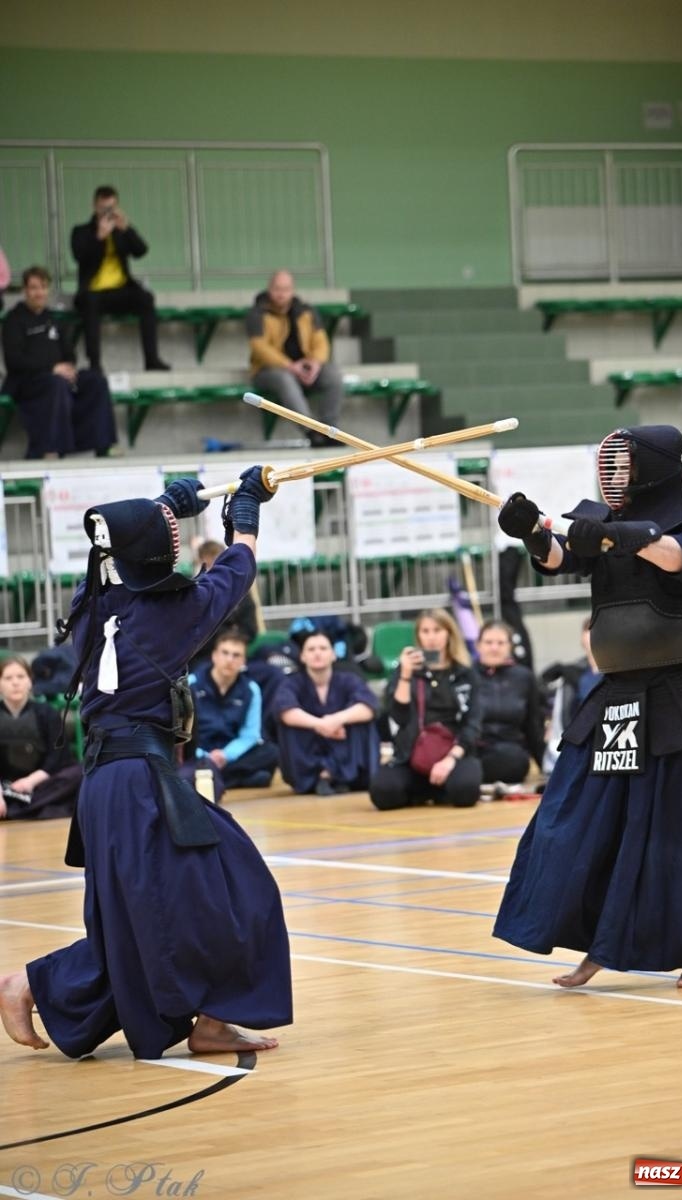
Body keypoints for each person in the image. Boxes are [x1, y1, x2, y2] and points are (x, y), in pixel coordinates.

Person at [0, 470, 292, 1056]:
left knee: (142, 918)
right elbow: (237, 570)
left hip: (106, 787)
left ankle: (202, 1019)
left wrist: (165, 506)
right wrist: (248, 512)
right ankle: (32, 983)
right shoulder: (173, 614)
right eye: (170, 532)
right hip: (139, 782)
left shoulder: (91, 606)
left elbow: (113, 549)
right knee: (242, 888)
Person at [493, 425, 682, 990]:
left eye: (625, 464)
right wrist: (533, 532)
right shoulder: (601, 526)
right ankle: (599, 944)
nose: (614, 474)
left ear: (653, 468)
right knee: (580, 813)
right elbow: (559, 557)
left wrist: (624, 537)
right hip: (620, 694)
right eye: (611, 463)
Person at [369, 608, 482, 811]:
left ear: (449, 633)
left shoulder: (465, 674)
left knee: (466, 791)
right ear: (418, 635)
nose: (431, 638)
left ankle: (431, 789)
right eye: (425, 631)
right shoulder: (406, 672)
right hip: (411, 753)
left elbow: (473, 723)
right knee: (382, 793)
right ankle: (430, 789)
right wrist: (405, 674)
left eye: (437, 630)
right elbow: (398, 717)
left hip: (453, 753)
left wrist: (450, 759)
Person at [1, 266, 117, 459]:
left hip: (58, 378)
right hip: (27, 382)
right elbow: (14, 361)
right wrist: (52, 368)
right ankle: (50, 449)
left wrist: (69, 368)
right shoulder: (14, 320)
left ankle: (103, 444)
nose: (39, 293)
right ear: (25, 291)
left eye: (43, 287)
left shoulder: (52, 319)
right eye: (34, 288)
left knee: (95, 380)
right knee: (56, 384)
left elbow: (69, 353)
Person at [71, 185, 169, 372]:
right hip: (92, 291)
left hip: (120, 289)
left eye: (111, 208)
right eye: (103, 208)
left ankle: (152, 360)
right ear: (95, 206)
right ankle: (95, 364)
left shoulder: (121, 231)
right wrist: (99, 237)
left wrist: (127, 229)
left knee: (146, 298)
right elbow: (79, 255)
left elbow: (141, 251)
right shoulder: (81, 231)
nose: (107, 212)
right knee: (90, 304)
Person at [273, 630, 379, 795]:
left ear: (333, 655)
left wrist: (336, 719)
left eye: (323, 648)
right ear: (302, 656)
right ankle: (320, 776)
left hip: (346, 752)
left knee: (361, 719)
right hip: (309, 757)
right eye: (311, 649)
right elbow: (285, 711)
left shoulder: (349, 679)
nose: (317, 653)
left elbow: (369, 708)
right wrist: (321, 725)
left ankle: (337, 775)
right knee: (290, 723)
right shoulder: (291, 683)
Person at [246, 269, 343, 445]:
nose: (281, 294)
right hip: (267, 371)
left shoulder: (307, 312)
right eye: (277, 289)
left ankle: (330, 430)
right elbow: (260, 348)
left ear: (292, 290)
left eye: (286, 289)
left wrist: (315, 363)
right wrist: (289, 365)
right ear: (269, 289)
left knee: (333, 374)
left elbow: (321, 341)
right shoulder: (257, 314)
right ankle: (312, 431)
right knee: (284, 378)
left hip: (304, 366)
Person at [189, 630, 279, 790]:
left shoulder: (251, 690)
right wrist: (205, 756)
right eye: (225, 653)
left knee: (271, 752)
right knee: (176, 759)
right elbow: (182, 733)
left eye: (236, 655)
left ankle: (212, 777)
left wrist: (226, 755)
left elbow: (251, 734)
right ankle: (237, 778)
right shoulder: (192, 684)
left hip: (231, 754)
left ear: (243, 661)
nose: (229, 660)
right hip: (198, 752)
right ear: (214, 655)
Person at [0, 656, 82, 821]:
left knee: (79, 774)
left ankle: (14, 811)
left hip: (40, 785)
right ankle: (30, 809)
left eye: (21, 677)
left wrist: (30, 782)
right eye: (8, 678)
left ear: (30, 681)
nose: (15, 682)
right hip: (5, 785)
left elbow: (57, 757)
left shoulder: (47, 713)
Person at [474, 621, 545, 790]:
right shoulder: (466, 675)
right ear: (478, 646)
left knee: (511, 761)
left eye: (500, 643)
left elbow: (533, 726)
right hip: (474, 750)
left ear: (510, 647)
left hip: (511, 753)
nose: (494, 648)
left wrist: (546, 767)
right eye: (488, 642)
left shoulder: (525, 677)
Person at [540, 617, 603, 777]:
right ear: (582, 638)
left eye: (599, 631)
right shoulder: (570, 674)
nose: (594, 636)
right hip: (577, 736)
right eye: (588, 631)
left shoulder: (622, 674)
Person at [188, 537, 261, 666]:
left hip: (234, 657)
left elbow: (250, 630)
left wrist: (219, 631)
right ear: (201, 562)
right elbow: (194, 632)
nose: (215, 570)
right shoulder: (193, 592)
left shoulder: (241, 592)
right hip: (202, 658)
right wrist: (230, 628)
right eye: (210, 563)